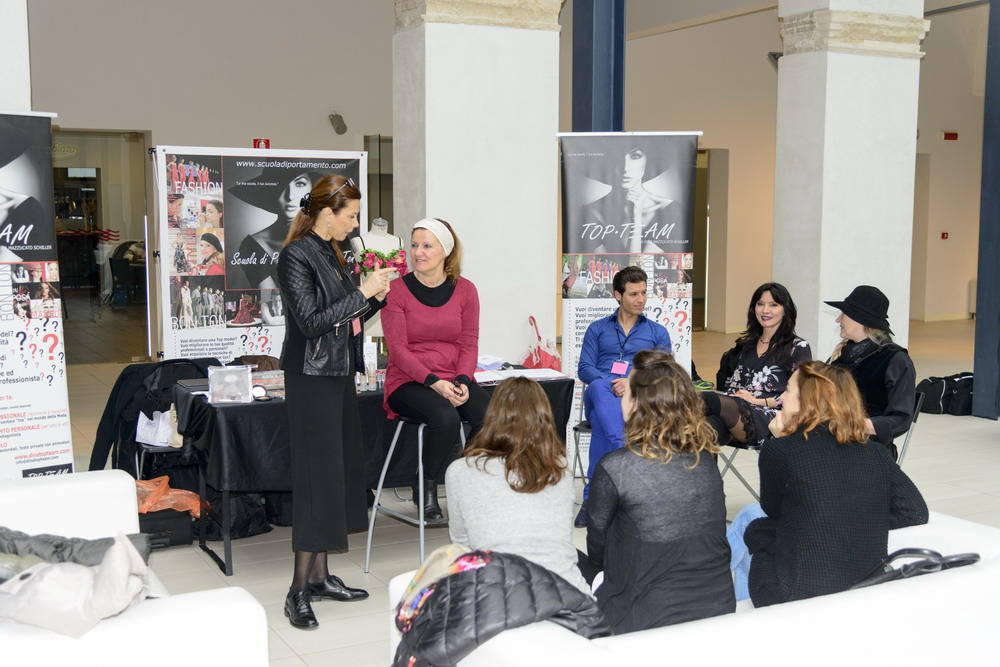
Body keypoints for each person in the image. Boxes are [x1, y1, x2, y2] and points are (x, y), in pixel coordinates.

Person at [276, 174, 394, 630]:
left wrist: (375, 299)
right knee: (315, 479)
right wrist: (362, 291)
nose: (356, 223)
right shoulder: (295, 255)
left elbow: (345, 317)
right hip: (310, 379)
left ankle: (321, 577)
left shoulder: (332, 252)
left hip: (337, 374)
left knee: (336, 474)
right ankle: (297, 590)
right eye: (352, 215)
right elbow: (311, 323)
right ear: (328, 213)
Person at [726, 361, 928, 607]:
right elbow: (915, 512)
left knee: (756, 530)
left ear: (808, 400)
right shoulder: (876, 452)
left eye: (788, 390)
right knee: (754, 522)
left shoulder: (780, 451)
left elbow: (776, 513)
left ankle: (733, 613)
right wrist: (853, 519)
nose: (782, 398)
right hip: (865, 581)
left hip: (793, 592)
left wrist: (781, 439)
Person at [582, 350, 734, 633]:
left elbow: (598, 552)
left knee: (569, 561)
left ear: (635, 405)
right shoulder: (704, 460)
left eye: (626, 392)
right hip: (717, 605)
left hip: (643, 617)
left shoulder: (616, 467)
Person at [381, 218, 490, 525]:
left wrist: (462, 380)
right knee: (445, 417)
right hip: (409, 381)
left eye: (427, 246)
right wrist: (434, 382)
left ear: (446, 250)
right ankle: (425, 482)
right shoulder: (395, 291)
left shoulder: (466, 290)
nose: (418, 252)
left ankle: (464, 481)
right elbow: (398, 350)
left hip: (453, 376)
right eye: (415, 245)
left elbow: (469, 342)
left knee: (490, 416)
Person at [445, 377, 590, 595]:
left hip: (495, 598)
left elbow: (462, 543)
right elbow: (557, 538)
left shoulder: (459, 471)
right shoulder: (560, 467)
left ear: (492, 416)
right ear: (545, 417)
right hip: (565, 595)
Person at [574, 265, 671, 527]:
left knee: (602, 426)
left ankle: (591, 499)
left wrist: (631, 382)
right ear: (618, 295)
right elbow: (585, 368)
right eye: (634, 294)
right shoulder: (597, 329)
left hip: (639, 400)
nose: (641, 299)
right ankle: (621, 445)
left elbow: (663, 370)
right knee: (598, 388)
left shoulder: (656, 332)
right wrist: (611, 383)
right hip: (602, 394)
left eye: (644, 293)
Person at [701, 283, 812, 447]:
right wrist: (736, 397)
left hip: (773, 419)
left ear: (785, 309)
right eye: (760, 304)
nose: (765, 310)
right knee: (703, 429)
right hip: (736, 416)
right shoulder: (747, 345)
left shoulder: (798, 347)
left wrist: (757, 401)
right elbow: (734, 385)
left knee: (709, 399)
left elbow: (802, 395)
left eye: (773, 305)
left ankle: (674, 411)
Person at [825, 285, 917, 460]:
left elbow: (901, 419)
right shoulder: (844, 353)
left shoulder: (896, 360)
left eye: (844, 314)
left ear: (860, 319)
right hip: (835, 439)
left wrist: (854, 425)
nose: (838, 320)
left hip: (869, 449)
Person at [230, 169, 322, 289]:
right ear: (272, 191)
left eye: (300, 184)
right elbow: (271, 298)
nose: (290, 196)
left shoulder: (332, 236)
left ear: (312, 188)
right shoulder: (253, 246)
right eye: (282, 185)